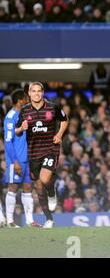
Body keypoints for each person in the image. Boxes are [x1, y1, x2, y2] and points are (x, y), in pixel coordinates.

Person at [16, 82, 69, 228]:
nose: (36, 94)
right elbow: (16, 131)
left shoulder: (53, 107)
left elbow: (64, 120)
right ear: (29, 93)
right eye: (33, 91)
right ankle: (49, 219)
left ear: (43, 92)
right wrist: (22, 127)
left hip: (50, 148)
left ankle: (52, 193)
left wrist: (59, 134)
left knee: (45, 178)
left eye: (39, 91)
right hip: (33, 153)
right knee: (38, 187)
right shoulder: (25, 110)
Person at [3, 89, 41, 228]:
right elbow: (8, 142)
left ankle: (30, 221)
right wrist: (15, 161)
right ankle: (10, 221)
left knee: (27, 187)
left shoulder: (26, 114)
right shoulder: (10, 117)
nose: (27, 100)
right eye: (25, 98)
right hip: (16, 160)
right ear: (20, 101)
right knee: (12, 187)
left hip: (27, 158)